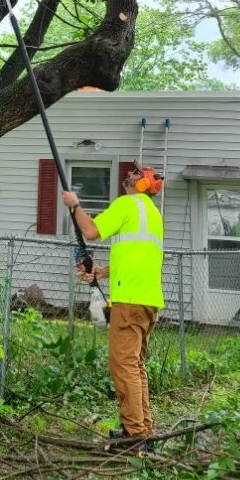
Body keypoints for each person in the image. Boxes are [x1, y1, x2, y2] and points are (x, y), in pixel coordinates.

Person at [62, 161, 164, 445]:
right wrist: (101, 273)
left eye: (135, 173)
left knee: (124, 364)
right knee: (136, 365)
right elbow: (135, 259)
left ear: (142, 184)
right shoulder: (152, 214)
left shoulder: (127, 204)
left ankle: (135, 434)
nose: (129, 175)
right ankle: (142, 427)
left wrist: (74, 206)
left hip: (129, 301)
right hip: (147, 300)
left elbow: (91, 231)